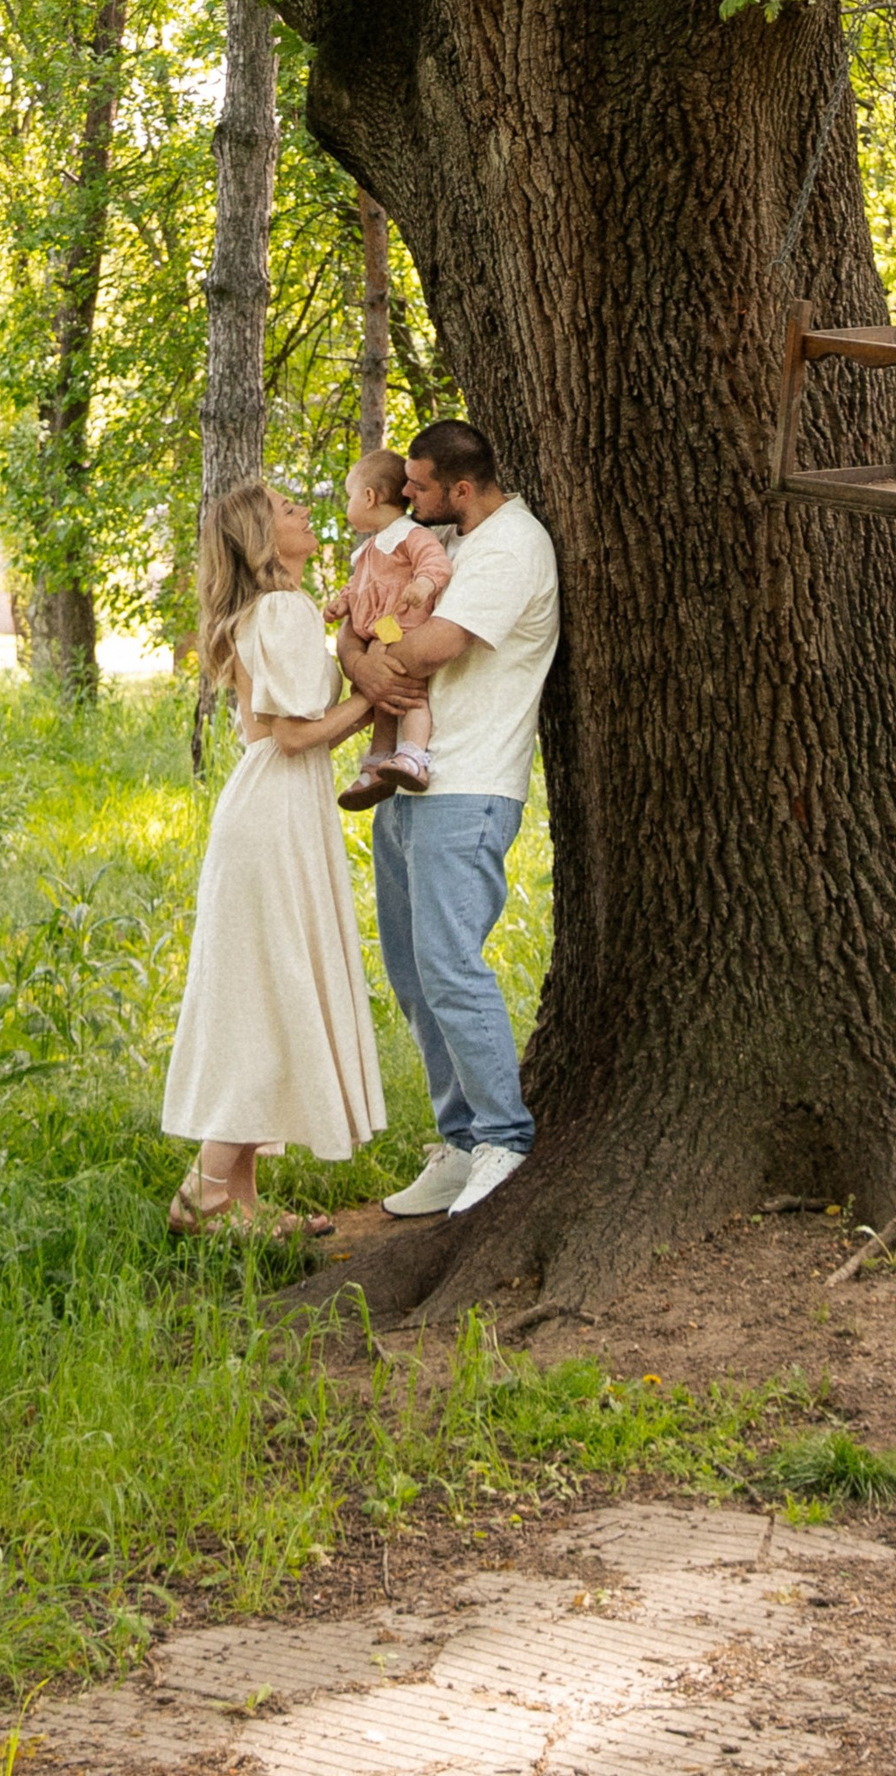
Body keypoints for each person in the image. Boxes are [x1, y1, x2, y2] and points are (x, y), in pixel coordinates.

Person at [336, 417, 557, 1221]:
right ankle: (460, 1139)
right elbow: (368, 625)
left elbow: (436, 645)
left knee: (451, 967)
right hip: (410, 782)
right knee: (412, 972)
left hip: (468, 786)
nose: (407, 495)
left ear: (461, 488)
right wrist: (359, 657)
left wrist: (368, 657)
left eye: (420, 487)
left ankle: (504, 1137)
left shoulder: (510, 547)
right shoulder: (450, 543)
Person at [161, 476, 387, 1233]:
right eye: (288, 510)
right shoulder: (283, 609)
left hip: (262, 810)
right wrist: (375, 701)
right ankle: (203, 1188)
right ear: (264, 538)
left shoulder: (261, 612)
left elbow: (264, 732)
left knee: (259, 993)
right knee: (270, 993)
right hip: (276, 810)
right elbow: (291, 734)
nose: (304, 514)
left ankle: (240, 1205)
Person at [329, 445, 454, 810]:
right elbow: (359, 586)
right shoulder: (369, 550)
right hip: (380, 633)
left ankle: (414, 755)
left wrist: (424, 585)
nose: (348, 504)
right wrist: (343, 602)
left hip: (405, 627)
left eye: (350, 496)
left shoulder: (410, 536)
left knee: (408, 689)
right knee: (385, 697)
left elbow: (437, 564)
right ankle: (379, 762)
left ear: (369, 497)